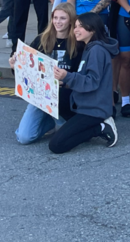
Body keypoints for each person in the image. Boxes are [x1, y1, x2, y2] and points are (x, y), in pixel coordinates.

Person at [48, 13, 121, 154]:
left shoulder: (97, 51)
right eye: (75, 26)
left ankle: (99, 127)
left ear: (92, 29)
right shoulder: (90, 47)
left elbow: (92, 82)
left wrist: (67, 76)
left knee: (56, 146)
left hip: (94, 109)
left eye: (81, 27)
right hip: (84, 102)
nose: (76, 30)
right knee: (54, 95)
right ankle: (81, 128)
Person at [12, 3, 83, 144]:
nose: (58, 21)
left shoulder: (78, 43)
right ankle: (49, 122)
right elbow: (26, 72)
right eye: (55, 17)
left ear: (71, 20)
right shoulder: (41, 39)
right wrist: (15, 66)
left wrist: (65, 81)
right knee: (24, 138)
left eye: (62, 18)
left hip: (64, 95)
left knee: (66, 137)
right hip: (41, 95)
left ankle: (61, 120)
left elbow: (80, 75)